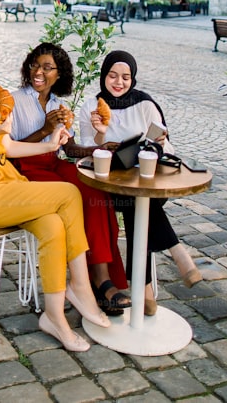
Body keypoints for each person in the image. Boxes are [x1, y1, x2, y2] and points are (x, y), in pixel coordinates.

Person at [0, 31, 110, 352]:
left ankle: (54, 316)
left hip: (9, 187)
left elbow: (10, 148)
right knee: (69, 194)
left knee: (54, 226)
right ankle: (82, 287)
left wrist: (49, 143)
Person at [9, 43, 130, 315]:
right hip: (24, 169)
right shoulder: (13, 100)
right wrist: (45, 130)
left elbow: (70, 149)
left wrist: (100, 147)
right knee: (76, 194)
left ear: (59, 74)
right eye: (35, 65)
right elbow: (7, 149)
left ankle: (101, 277)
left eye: (47, 67)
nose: (39, 72)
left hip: (53, 163)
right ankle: (94, 282)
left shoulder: (56, 105)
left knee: (96, 190)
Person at [78, 50, 202, 316]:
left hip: (144, 180)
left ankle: (144, 288)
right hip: (106, 188)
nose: (118, 82)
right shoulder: (92, 105)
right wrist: (100, 134)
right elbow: (88, 151)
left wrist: (159, 143)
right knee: (138, 204)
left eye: (125, 77)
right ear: (104, 76)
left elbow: (167, 149)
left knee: (139, 201)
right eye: (112, 75)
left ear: (133, 79)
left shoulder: (145, 104)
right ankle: (175, 256)